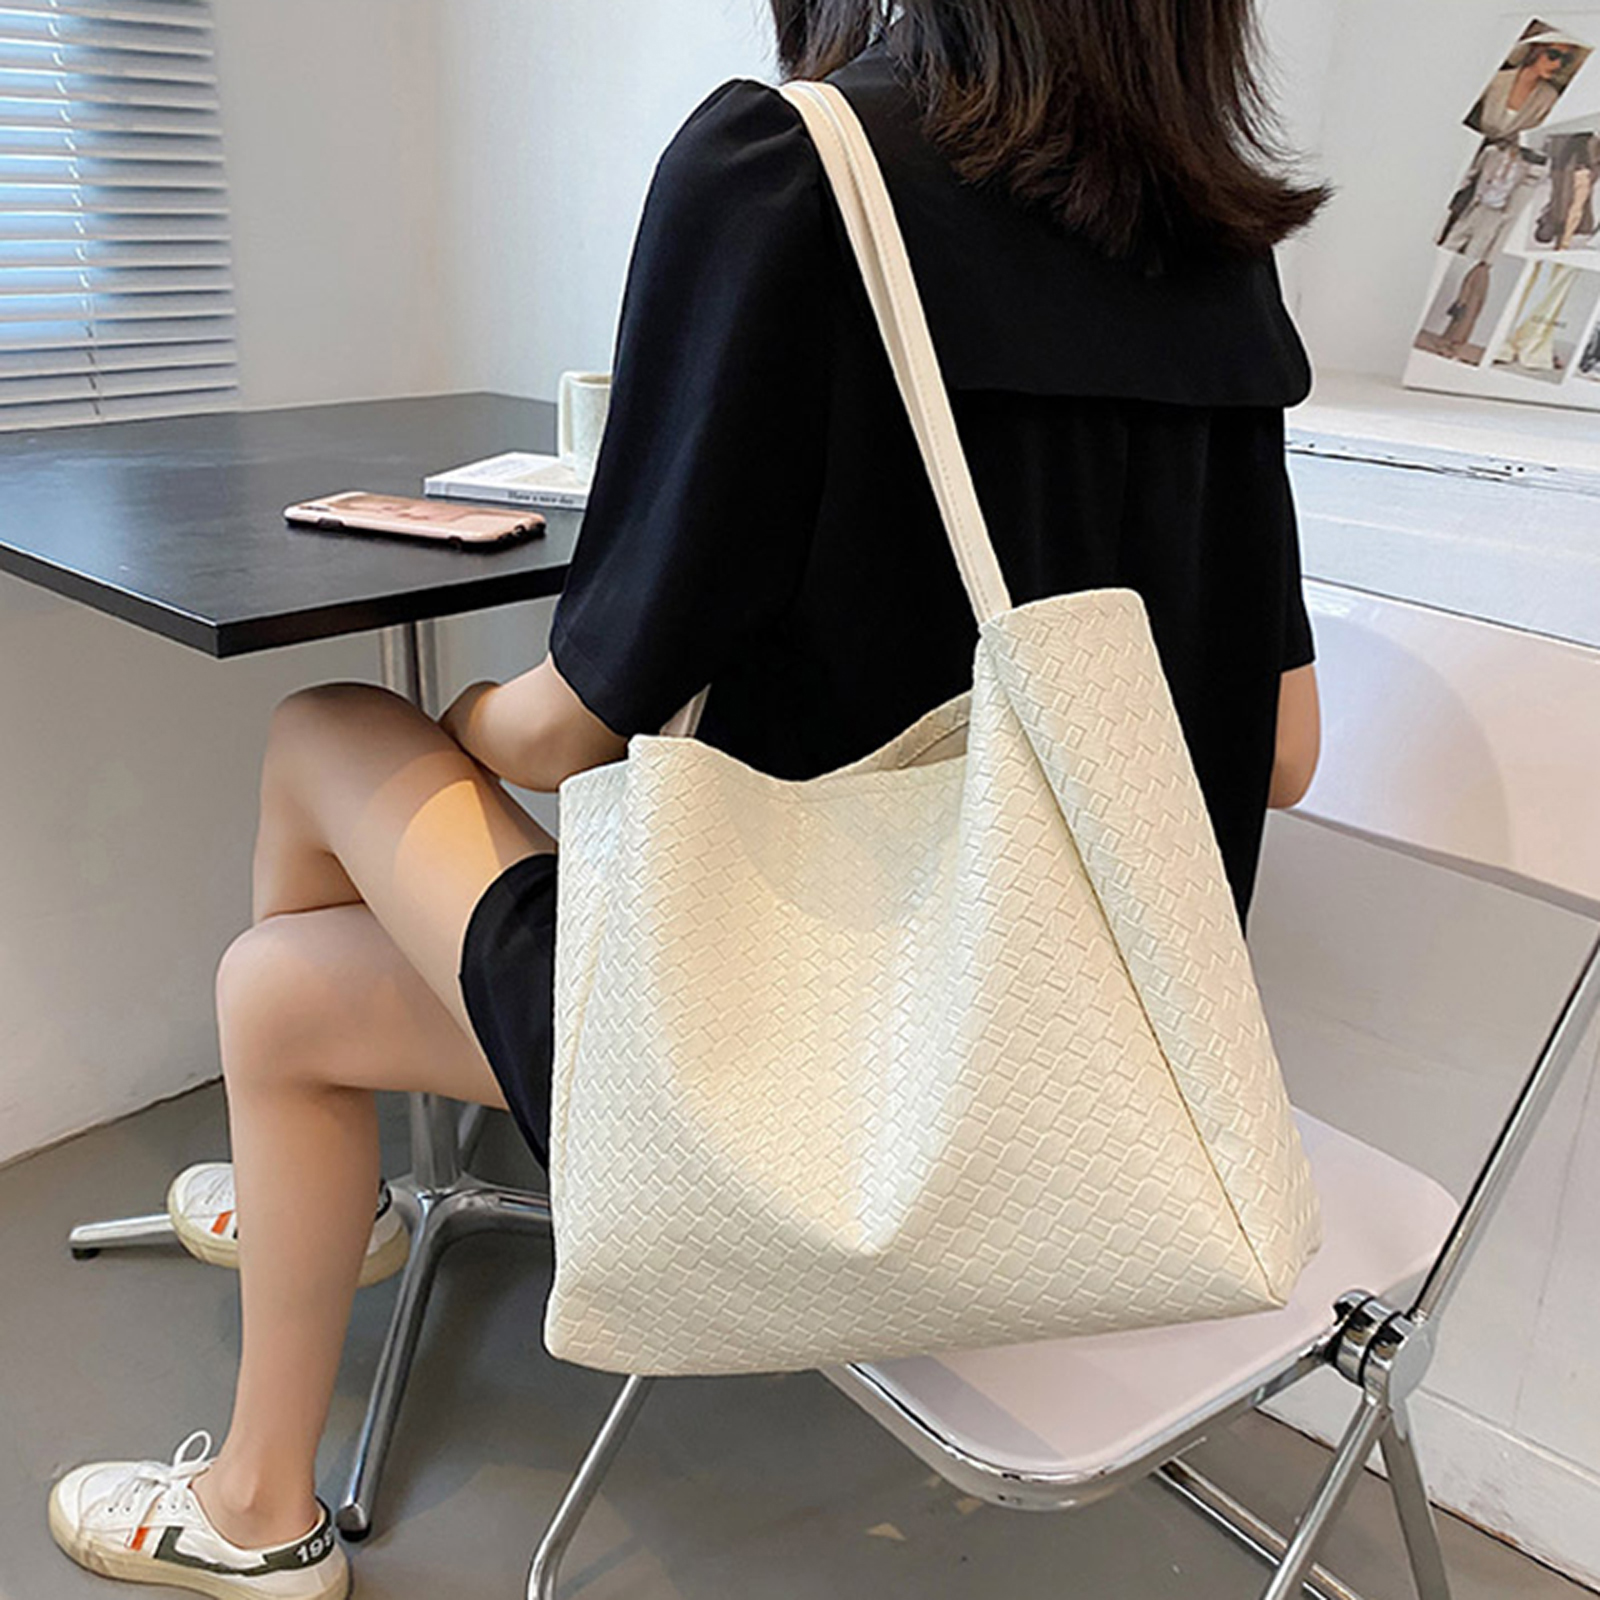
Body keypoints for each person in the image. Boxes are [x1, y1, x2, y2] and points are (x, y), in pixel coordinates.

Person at [47, 1, 1326, 1594]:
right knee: (281, 987)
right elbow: (1284, 752)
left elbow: (573, 731)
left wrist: (468, 724)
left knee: (326, 736)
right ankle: (319, 1247)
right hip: (1100, 1066)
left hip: (796, 1069)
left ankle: (263, 1491)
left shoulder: (791, 171)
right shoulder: (1219, 252)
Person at [1467, 33, 1587, 140]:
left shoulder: (1550, 98)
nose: (1558, 64)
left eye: (1566, 59)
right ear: (1535, 52)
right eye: (1553, 55)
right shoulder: (1496, 80)